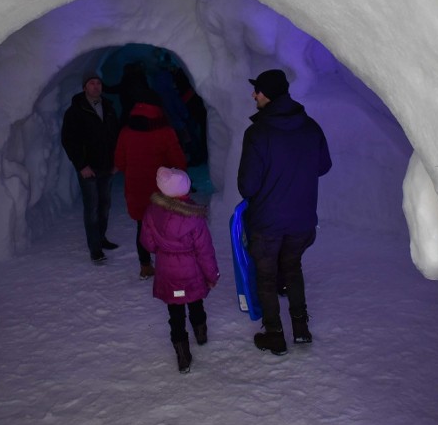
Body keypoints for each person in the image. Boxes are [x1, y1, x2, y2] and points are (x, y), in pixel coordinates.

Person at [237, 68, 332, 356]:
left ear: (269, 94)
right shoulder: (311, 126)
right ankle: (301, 330)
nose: (254, 95)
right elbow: (323, 166)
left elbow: (247, 186)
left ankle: (275, 335)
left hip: (267, 222)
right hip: (301, 220)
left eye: (258, 90)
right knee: (292, 268)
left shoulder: (258, 133)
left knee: (266, 276)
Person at [140, 167, 220, 373]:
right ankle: (201, 333)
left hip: (168, 273)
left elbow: (147, 243)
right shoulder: (194, 217)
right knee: (195, 302)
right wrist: (211, 275)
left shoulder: (152, 212)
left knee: (175, 312)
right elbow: (204, 250)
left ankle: (182, 354)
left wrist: (162, 250)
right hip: (191, 273)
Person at [114, 98, 187, 279]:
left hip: (135, 189)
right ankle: (167, 265)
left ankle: (145, 265)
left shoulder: (126, 132)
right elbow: (179, 163)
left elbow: (120, 163)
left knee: (142, 226)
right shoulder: (165, 133)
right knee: (167, 227)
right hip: (162, 191)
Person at [61, 71, 120, 264]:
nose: (96, 86)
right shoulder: (76, 110)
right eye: (92, 83)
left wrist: (117, 161)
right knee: (92, 207)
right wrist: (81, 165)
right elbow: (69, 140)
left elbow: (116, 137)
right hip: (89, 168)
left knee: (105, 205)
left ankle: (101, 238)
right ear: (84, 87)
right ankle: (95, 248)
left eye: (98, 83)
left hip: (107, 166)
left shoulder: (109, 107)